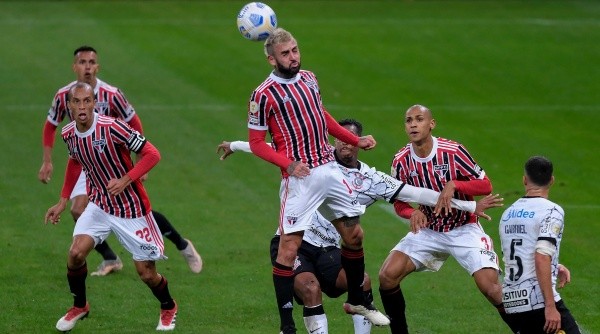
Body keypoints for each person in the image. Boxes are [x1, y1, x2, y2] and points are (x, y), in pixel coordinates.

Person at [218, 119, 502, 334]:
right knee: (311, 289)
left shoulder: (370, 179)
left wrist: (468, 206)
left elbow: (413, 194)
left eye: (349, 140)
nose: (344, 144)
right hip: (296, 242)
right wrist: (234, 145)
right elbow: (268, 148)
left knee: (363, 282)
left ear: (356, 143)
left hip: (329, 248)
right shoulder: (314, 159)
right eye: (340, 139)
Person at [246, 27, 388, 333]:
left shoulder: (309, 78)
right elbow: (257, 143)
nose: (293, 57)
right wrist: (289, 164)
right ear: (272, 59)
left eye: (295, 50)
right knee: (287, 250)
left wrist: (354, 140)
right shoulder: (262, 95)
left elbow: (321, 115)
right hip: (300, 179)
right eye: (285, 53)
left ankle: (358, 300)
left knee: (355, 236)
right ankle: (287, 326)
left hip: (328, 171)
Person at [38, 45, 202, 275]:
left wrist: (137, 163)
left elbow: (134, 123)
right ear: (74, 67)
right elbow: (50, 126)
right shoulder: (64, 95)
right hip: (85, 160)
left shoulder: (112, 94)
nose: (87, 67)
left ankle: (182, 244)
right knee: (78, 210)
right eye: (82, 62)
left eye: (92, 62)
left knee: (133, 212)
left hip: (114, 164)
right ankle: (110, 257)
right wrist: (47, 161)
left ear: (98, 66)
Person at [44, 82, 177, 331]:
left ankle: (168, 306)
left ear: (94, 103)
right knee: (75, 254)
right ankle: (80, 306)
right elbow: (75, 161)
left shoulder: (113, 127)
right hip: (100, 206)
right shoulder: (69, 133)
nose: (82, 106)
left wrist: (127, 179)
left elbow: (152, 154)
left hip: (131, 209)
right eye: (77, 102)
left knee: (147, 274)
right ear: (69, 105)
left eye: (87, 101)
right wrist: (63, 200)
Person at [379, 104, 506, 333]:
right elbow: (399, 202)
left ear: (431, 124)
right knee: (387, 276)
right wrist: (412, 212)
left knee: (491, 288)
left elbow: (485, 185)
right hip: (428, 231)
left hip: (463, 229)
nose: (414, 124)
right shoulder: (400, 161)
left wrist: (455, 183)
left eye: (419, 119)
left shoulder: (453, 151)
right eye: (409, 121)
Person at [499, 156, 580, 334]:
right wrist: (550, 307)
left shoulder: (508, 213)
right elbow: (542, 256)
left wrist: (554, 266)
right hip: (538, 302)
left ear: (524, 180)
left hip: (512, 302)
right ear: (551, 181)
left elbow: (519, 252)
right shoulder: (552, 211)